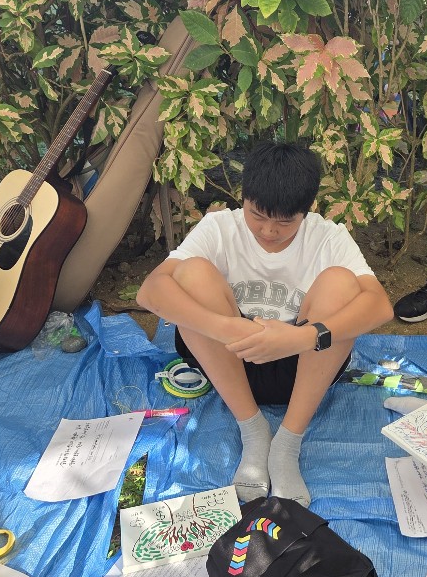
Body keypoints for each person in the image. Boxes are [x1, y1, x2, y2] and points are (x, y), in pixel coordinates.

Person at [137, 142, 392, 506]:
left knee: (342, 283)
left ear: (307, 210)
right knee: (190, 275)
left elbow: (379, 305)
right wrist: (226, 328)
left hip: (302, 367)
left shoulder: (328, 236)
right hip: (229, 362)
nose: (269, 230)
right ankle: (253, 430)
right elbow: (150, 291)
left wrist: (303, 337)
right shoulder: (219, 227)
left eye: (285, 222)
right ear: (243, 199)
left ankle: (287, 442)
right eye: (257, 215)